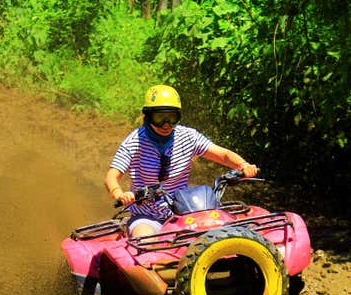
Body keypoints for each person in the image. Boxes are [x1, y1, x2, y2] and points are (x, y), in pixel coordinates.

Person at [105, 84, 259, 237]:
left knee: (223, 233)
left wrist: (243, 165)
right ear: (148, 116)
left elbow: (223, 155)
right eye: (160, 118)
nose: (166, 124)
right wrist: (119, 193)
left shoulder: (188, 136)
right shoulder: (135, 141)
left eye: (172, 118)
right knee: (143, 239)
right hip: (148, 216)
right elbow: (111, 176)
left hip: (184, 212)